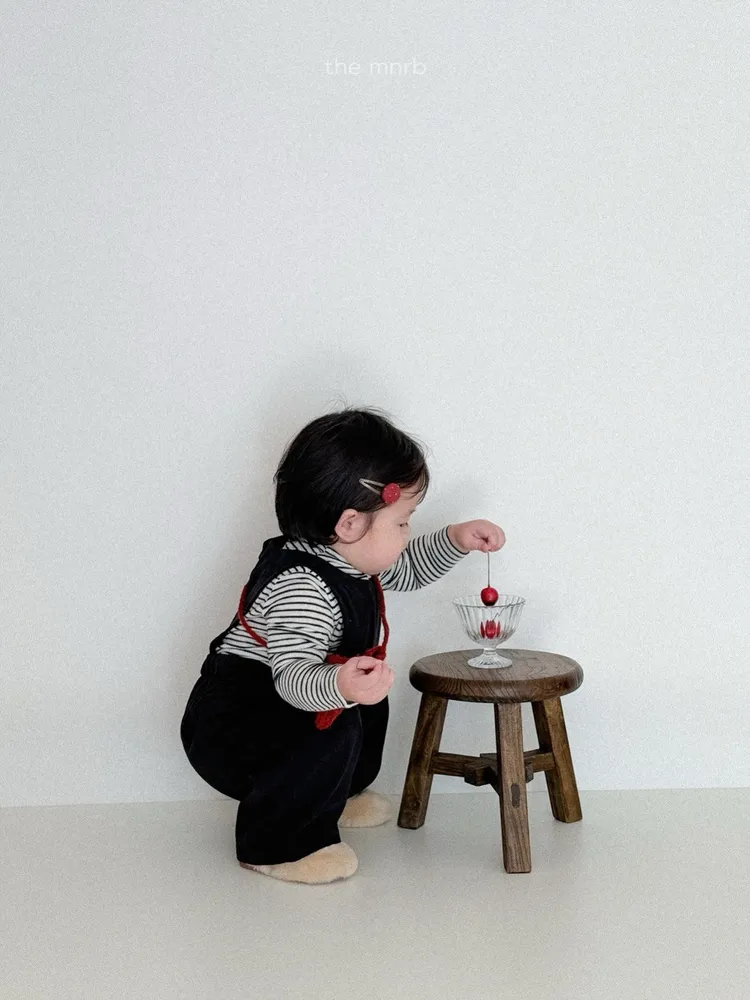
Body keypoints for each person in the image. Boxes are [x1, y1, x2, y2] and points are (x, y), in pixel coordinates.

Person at [180, 408, 505, 884]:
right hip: (239, 725)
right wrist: (338, 684)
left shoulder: (345, 558)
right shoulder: (302, 587)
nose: (407, 535)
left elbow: (406, 569)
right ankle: (277, 844)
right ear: (350, 524)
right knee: (328, 723)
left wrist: (455, 540)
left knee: (363, 701)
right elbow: (292, 678)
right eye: (402, 523)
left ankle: (336, 795)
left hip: (295, 696)